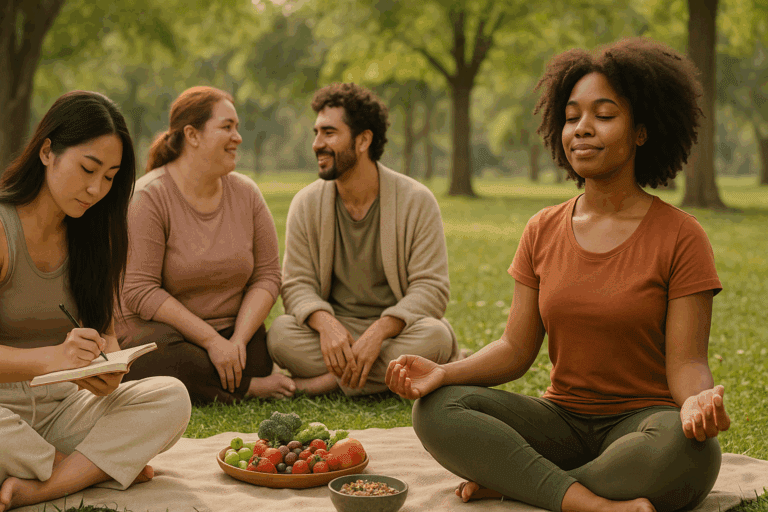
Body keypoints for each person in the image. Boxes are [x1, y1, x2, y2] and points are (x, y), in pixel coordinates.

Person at [386, 38, 730, 512]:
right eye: (572, 118)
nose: (583, 130)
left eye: (604, 116)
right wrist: (444, 371)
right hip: (560, 422)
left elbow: (687, 363)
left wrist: (694, 404)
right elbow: (515, 349)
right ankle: (588, 502)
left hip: (644, 425)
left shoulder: (681, 235)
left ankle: (524, 484)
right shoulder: (542, 229)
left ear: (642, 132)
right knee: (438, 409)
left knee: (688, 450)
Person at [0, 91, 191, 512]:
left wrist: (110, 367)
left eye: (109, 177)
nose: (96, 189)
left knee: (171, 397)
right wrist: (53, 359)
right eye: (88, 169)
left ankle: (43, 485)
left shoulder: (93, 234)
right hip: (3, 413)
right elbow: (55, 359)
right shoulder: (3, 231)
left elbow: (104, 333)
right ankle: (93, 468)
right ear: (47, 151)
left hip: (64, 407)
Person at [267, 83, 458, 396]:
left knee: (435, 336)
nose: (317, 144)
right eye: (316, 133)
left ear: (363, 140)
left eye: (329, 133)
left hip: (395, 334)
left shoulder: (416, 200)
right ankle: (391, 379)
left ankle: (325, 384)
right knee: (280, 335)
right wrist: (326, 324)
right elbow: (296, 285)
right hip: (334, 336)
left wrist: (379, 332)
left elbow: (431, 289)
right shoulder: (306, 203)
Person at [116, 86, 293, 403]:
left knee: (256, 356)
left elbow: (267, 275)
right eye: (226, 127)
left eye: (236, 127)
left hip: (229, 330)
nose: (237, 136)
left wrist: (236, 340)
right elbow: (140, 290)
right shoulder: (149, 196)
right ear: (192, 135)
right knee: (167, 359)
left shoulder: (247, 193)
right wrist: (211, 341)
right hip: (162, 333)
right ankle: (247, 388)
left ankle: (224, 377)